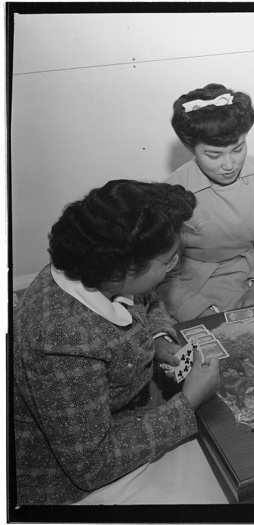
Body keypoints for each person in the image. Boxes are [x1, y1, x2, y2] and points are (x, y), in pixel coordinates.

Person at [13, 180, 222, 505]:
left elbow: (147, 300)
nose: (174, 267)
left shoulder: (95, 264)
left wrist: (158, 339)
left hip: (122, 415)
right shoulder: (61, 339)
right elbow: (92, 465)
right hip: (67, 478)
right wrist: (189, 402)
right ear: (122, 271)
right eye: (168, 261)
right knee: (220, 486)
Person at [159, 83, 254, 321]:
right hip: (195, 288)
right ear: (192, 149)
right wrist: (202, 311)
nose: (229, 165)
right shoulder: (171, 192)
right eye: (213, 155)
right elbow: (163, 272)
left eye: (238, 149)